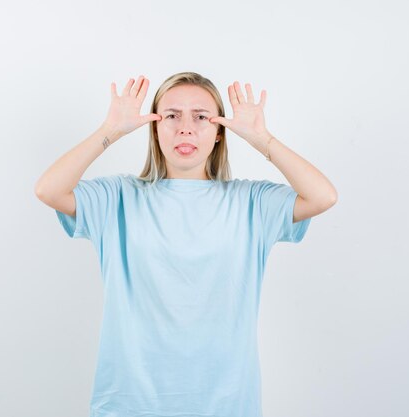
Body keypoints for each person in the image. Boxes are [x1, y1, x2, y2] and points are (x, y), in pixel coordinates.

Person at [35, 72, 337, 417]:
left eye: (202, 117)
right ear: (154, 127)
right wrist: (109, 132)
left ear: (220, 131)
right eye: (172, 116)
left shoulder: (251, 201)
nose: (186, 128)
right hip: (129, 404)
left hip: (226, 405)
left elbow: (323, 196)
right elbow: (49, 190)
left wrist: (262, 139)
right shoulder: (116, 196)